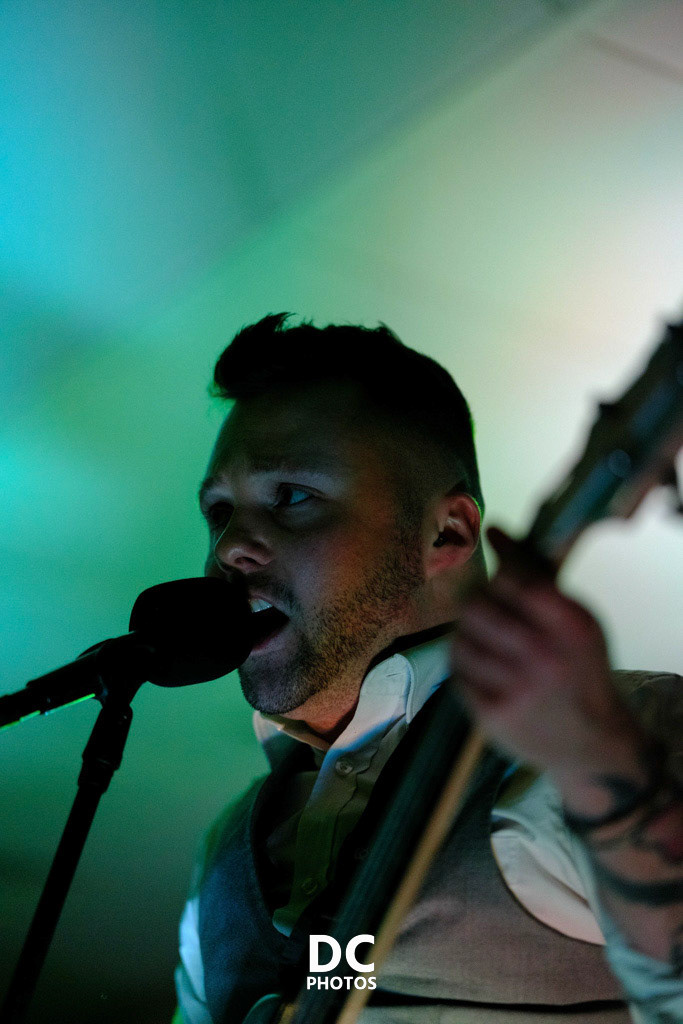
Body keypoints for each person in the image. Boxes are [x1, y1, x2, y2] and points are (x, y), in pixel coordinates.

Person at [173, 314, 682, 1024]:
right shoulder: (225, 851)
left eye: (291, 496)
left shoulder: (634, 733)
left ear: (447, 532)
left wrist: (601, 757)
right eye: (219, 511)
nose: (230, 546)